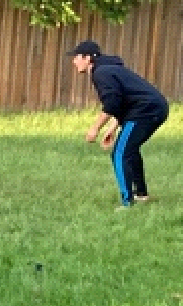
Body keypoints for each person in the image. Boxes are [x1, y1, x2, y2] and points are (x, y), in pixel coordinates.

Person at [69, 40, 169, 207]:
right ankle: (141, 195)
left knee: (120, 154)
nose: (74, 61)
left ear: (87, 58)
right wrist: (112, 129)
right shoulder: (108, 69)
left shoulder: (101, 72)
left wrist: (95, 129)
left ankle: (127, 202)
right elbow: (122, 101)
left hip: (145, 111)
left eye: (76, 57)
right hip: (153, 108)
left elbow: (112, 104)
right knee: (130, 150)